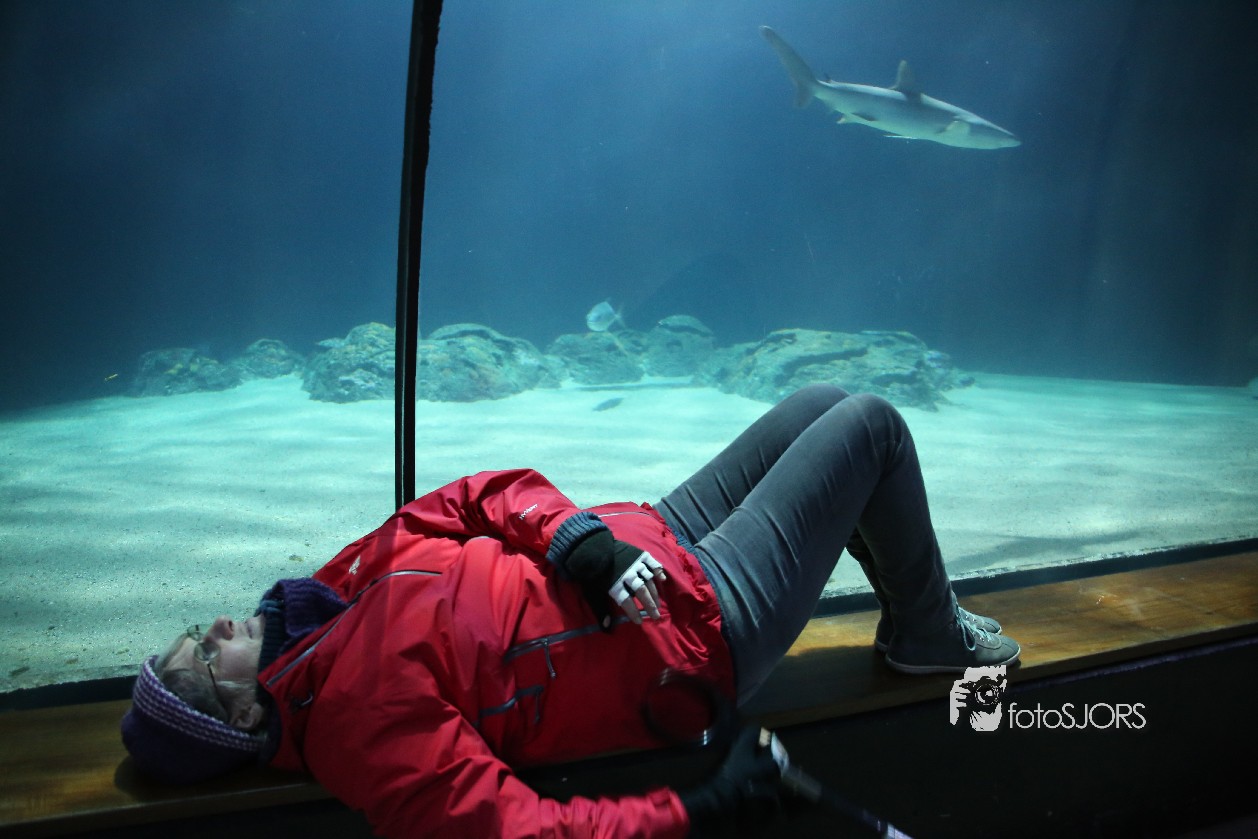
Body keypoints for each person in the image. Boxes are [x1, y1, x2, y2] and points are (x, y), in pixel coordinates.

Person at [121, 385, 1019, 837]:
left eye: (195, 631)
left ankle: (917, 611)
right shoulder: (360, 724)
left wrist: (574, 538)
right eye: (204, 656)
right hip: (690, 629)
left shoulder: (328, 591)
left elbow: (471, 497)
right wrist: (694, 810)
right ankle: (927, 636)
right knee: (872, 425)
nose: (215, 628)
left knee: (822, 403)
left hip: (645, 543)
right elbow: (520, 830)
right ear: (242, 718)